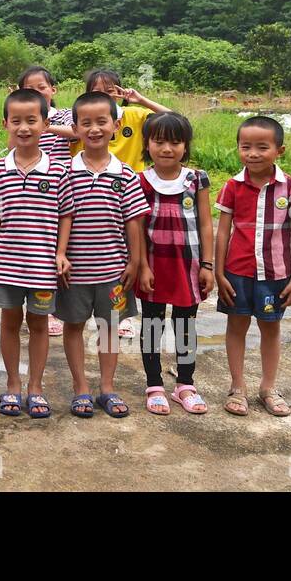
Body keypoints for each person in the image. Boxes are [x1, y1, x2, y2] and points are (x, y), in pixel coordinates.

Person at [0, 88, 73, 419]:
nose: (24, 128)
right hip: (8, 263)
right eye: (16, 121)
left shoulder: (59, 170)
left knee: (37, 323)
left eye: (32, 120)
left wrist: (61, 253)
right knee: (9, 322)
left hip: (44, 265)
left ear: (46, 124)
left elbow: (66, 214)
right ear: (5, 123)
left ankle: (35, 387)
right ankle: (13, 385)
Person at [58, 90, 150, 419]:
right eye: (86, 123)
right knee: (73, 326)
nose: (94, 129)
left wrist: (135, 262)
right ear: (76, 128)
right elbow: (58, 221)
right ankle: (80, 387)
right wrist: (60, 256)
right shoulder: (63, 173)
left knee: (109, 328)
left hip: (114, 270)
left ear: (116, 124)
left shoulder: (126, 174)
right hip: (74, 271)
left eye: (101, 122)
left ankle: (108, 387)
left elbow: (134, 223)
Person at [214, 115, 291, 417]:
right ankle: (237, 387)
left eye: (262, 147)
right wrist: (218, 272)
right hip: (237, 273)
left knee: (271, 328)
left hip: (275, 275)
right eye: (245, 147)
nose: (252, 154)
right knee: (236, 326)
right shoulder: (232, 186)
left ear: (279, 151)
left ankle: (268, 387)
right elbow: (222, 231)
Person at [76, 67, 172, 342]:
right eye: (97, 92)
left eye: (110, 90)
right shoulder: (87, 121)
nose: (105, 96)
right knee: (103, 253)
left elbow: (173, 119)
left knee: (133, 248)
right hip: (95, 190)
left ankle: (125, 317)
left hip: (130, 187)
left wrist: (140, 99)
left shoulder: (134, 115)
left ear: (121, 92)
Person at [135, 112, 214, 416]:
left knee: (185, 324)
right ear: (147, 144)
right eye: (159, 141)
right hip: (154, 266)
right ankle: (154, 385)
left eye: (175, 142)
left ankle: (185, 384)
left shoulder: (196, 179)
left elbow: (206, 224)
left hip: (188, 266)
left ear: (185, 146)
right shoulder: (141, 180)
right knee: (152, 324)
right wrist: (141, 266)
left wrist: (207, 264)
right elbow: (137, 228)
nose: (167, 149)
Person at [19, 65, 77, 337]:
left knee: (62, 247)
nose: (36, 92)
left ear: (53, 90)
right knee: (38, 246)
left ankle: (56, 308)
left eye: (41, 87)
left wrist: (42, 123)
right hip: (31, 189)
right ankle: (39, 307)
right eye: (29, 89)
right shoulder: (21, 120)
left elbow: (76, 132)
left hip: (61, 185)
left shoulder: (63, 114)